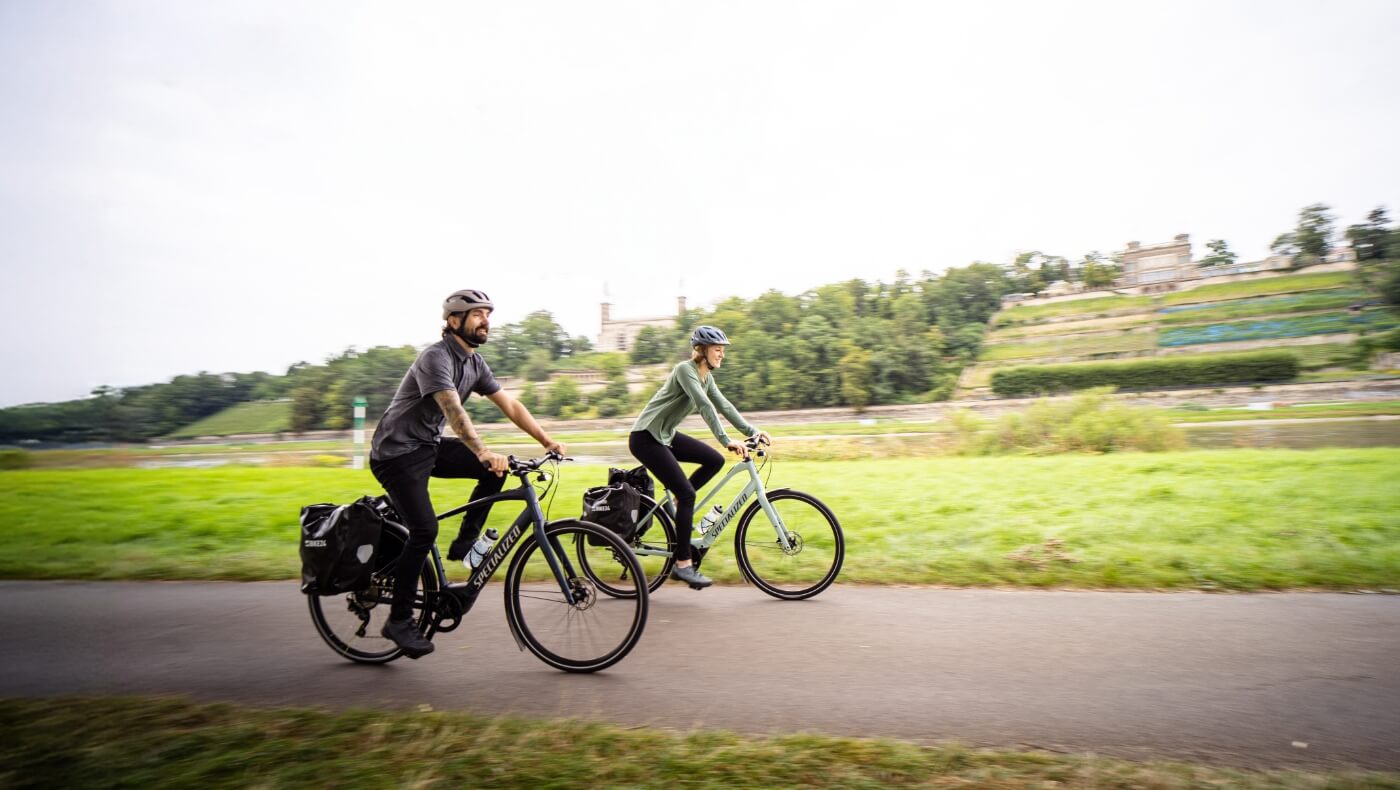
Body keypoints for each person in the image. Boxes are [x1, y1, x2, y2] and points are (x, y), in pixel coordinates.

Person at [370, 289, 565, 658]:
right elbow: (453, 410)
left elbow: (510, 404)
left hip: (426, 447)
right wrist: (482, 451)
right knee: (424, 529)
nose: (486, 320)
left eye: (487, 314)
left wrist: (546, 440)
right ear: (454, 321)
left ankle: (464, 543)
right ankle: (397, 620)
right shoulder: (435, 357)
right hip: (395, 453)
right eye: (477, 314)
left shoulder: (474, 364)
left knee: (499, 469)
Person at [628, 325, 771, 590]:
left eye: (722, 351)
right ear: (702, 351)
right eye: (718, 350)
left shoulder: (708, 378)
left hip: (665, 436)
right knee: (689, 495)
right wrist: (727, 440)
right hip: (646, 437)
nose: (722, 355)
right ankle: (683, 565)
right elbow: (705, 406)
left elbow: (724, 406)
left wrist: (753, 431)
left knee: (714, 461)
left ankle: (680, 502)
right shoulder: (685, 370)